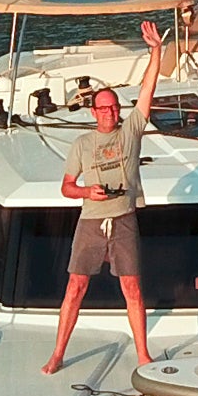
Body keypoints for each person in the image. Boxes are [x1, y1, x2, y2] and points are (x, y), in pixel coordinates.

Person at [41, 19, 167, 375]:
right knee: (76, 286)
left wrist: (155, 51)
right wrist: (87, 192)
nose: (110, 112)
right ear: (94, 112)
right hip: (91, 221)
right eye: (103, 108)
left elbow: (148, 88)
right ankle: (57, 354)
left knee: (132, 287)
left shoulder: (131, 132)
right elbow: (66, 187)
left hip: (124, 219)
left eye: (114, 107)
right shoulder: (82, 144)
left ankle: (143, 354)